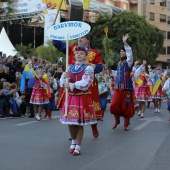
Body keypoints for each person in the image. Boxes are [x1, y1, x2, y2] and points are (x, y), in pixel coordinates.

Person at [53, 33, 103, 138]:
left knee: (89, 108)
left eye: (82, 37)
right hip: (72, 83)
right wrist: (53, 33)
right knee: (73, 108)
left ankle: (94, 126)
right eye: (79, 37)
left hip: (88, 85)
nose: (79, 39)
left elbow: (100, 67)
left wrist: (91, 65)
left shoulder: (94, 53)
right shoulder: (72, 49)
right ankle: (74, 131)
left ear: (88, 40)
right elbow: (58, 44)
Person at [60, 46, 97, 156]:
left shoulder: (89, 68)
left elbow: (86, 82)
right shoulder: (69, 67)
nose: (79, 55)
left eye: (81, 53)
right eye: (77, 53)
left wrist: (71, 84)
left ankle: (78, 146)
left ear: (85, 56)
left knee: (79, 123)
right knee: (70, 121)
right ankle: (73, 142)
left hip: (82, 96)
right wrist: (64, 77)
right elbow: (62, 82)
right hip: (71, 97)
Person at [110, 34, 134, 131]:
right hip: (118, 86)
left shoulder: (129, 62)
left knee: (126, 105)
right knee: (114, 104)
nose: (121, 52)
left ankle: (126, 124)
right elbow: (116, 73)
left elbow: (130, 53)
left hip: (126, 87)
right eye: (120, 51)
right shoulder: (118, 63)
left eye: (122, 51)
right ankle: (117, 120)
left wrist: (125, 43)